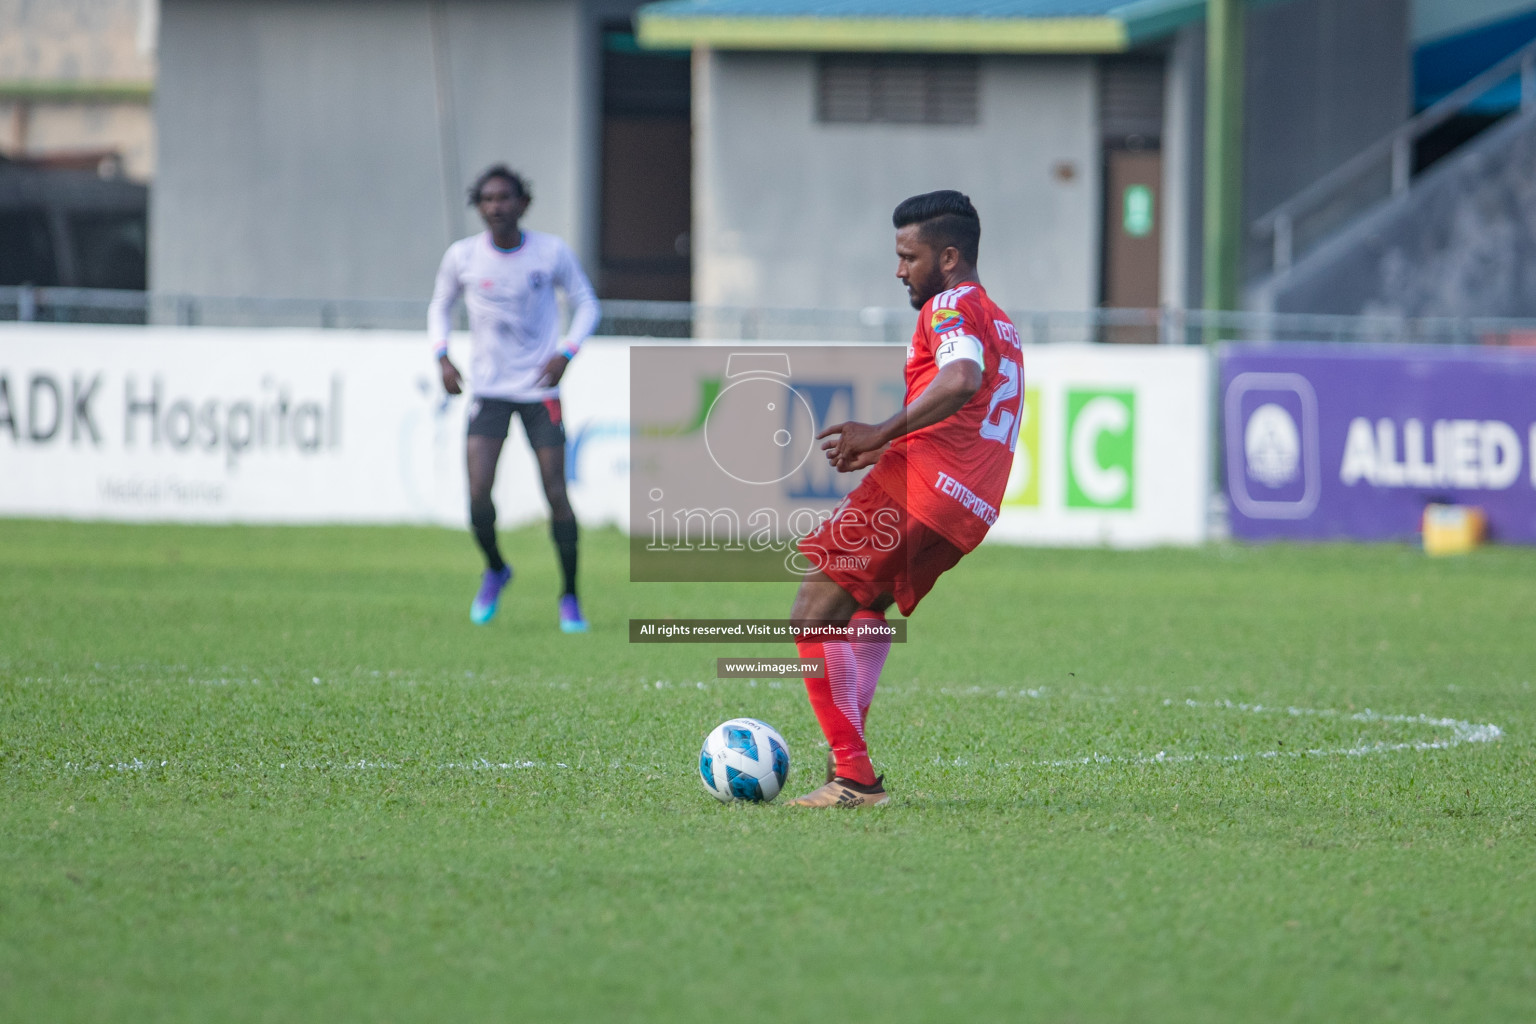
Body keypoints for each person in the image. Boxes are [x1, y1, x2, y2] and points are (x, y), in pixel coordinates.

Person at [786, 190, 1024, 807]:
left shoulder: (947, 306)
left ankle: (854, 777)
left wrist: (880, 433)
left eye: (907, 257)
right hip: (967, 508)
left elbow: (961, 377)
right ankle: (851, 756)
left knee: (811, 612)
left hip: (920, 486)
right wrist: (882, 446)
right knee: (862, 608)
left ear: (948, 258)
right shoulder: (998, 317)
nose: (899, 271)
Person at [428, 164, 601, 631]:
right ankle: (497, 568)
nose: (496, 206)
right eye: (487, 199)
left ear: (523, 203)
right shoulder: (463, 257)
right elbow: (439, 306)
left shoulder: (550, 253)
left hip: (540, 391)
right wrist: (442, 356)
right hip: (488, 391)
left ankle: (569, 596)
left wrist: (567, 352)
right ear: (478, 206)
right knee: (478, 496)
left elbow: (587, 303)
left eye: (505, 197)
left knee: (556, 493)